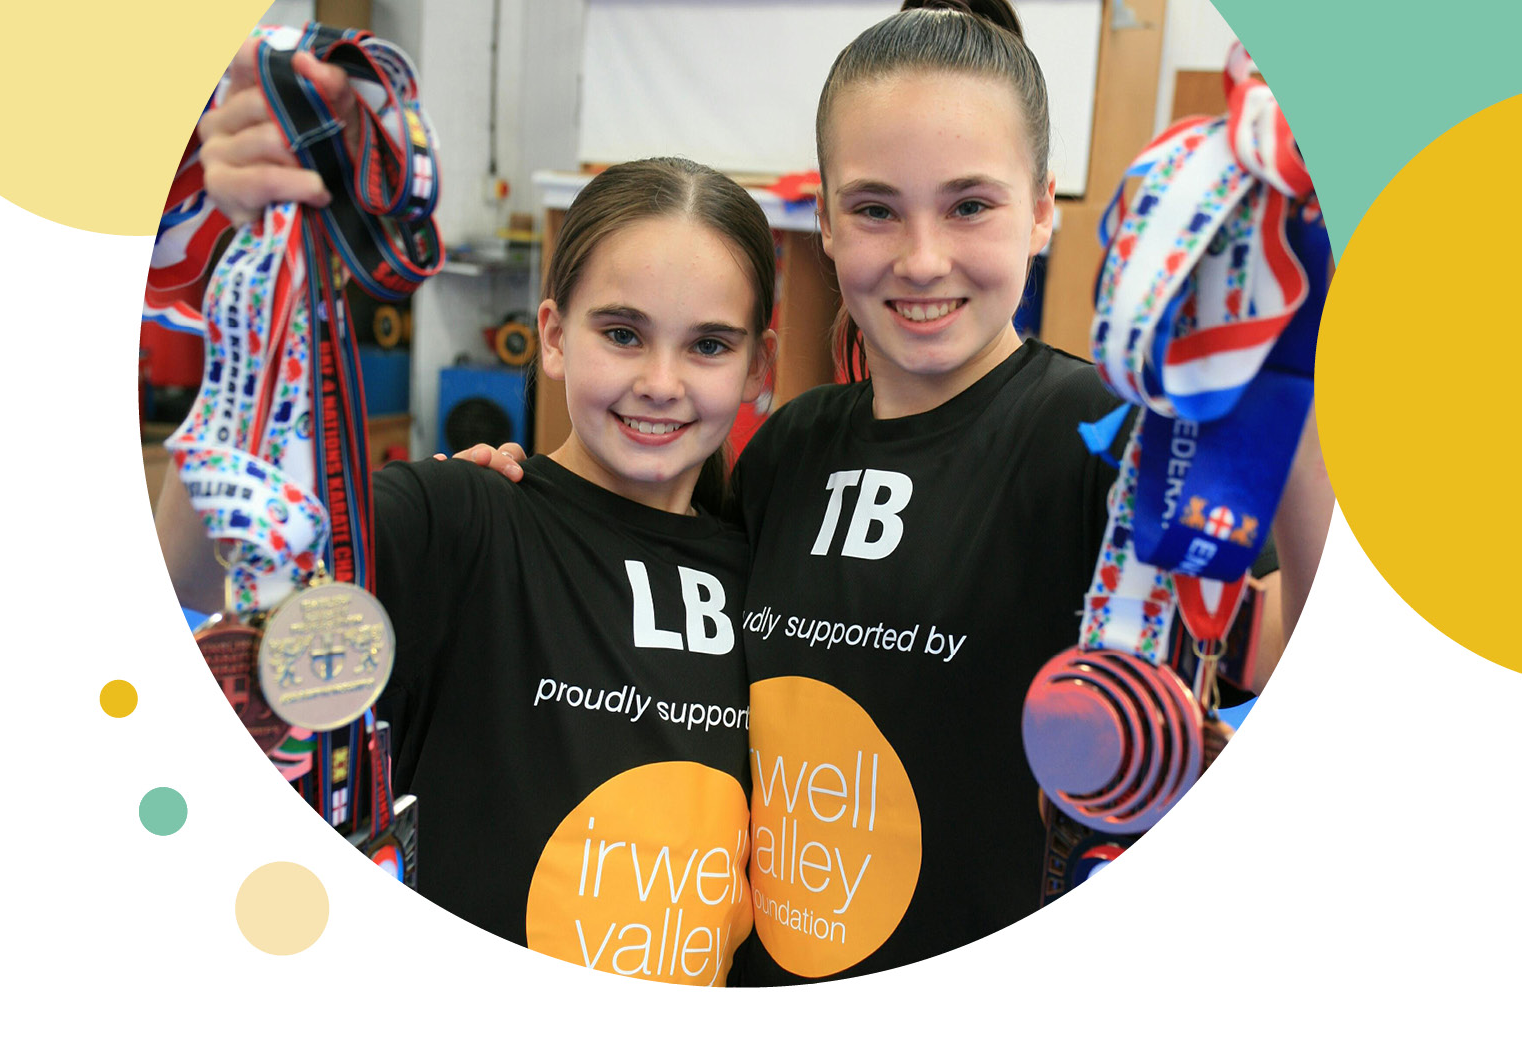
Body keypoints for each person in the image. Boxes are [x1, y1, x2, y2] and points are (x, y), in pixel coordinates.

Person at [180, 0, 1333, 985]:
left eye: (972, 205)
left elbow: (1273, 651)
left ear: (1042, 211)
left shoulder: (1102, 438)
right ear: (824, 222)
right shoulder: (782, 458)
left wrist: (1305, 367)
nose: (922, 258)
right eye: (876, 207)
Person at [158, 147, 779, 985]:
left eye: (708, 344)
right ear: (553, 337)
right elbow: (198, 575)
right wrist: (248, 273)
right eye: (622, 333)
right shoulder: (464, 515)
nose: (659, 381)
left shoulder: (769, 578)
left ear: (758, 367)